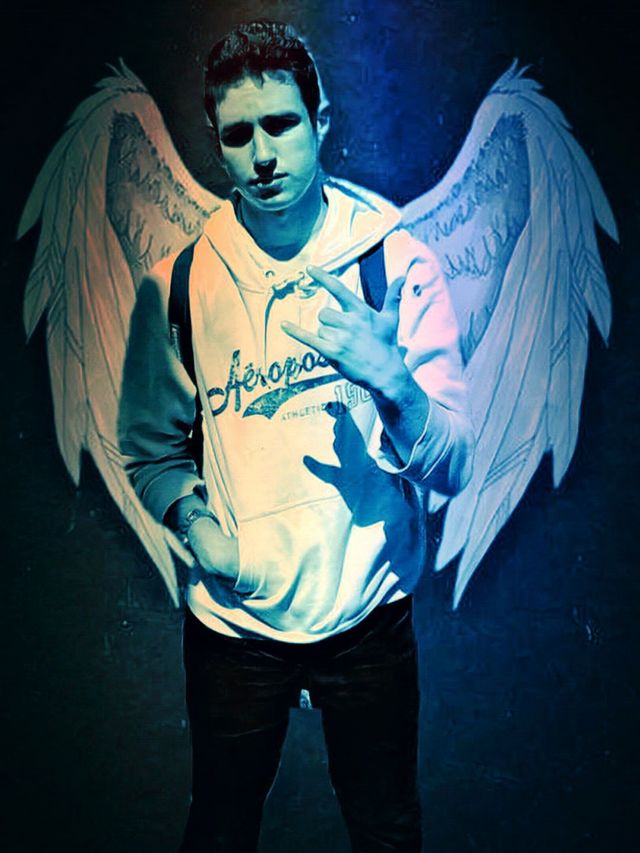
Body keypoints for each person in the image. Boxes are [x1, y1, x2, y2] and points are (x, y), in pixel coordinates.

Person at [118, 20, 474, 853]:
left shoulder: (393, 264)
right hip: (235, 628)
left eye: (281, 124)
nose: (263, 155)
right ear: (217, 140)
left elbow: (457, 463)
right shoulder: (179, 284)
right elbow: (149, 447)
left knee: (387, 833)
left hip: (368, 618)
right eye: (238, 134)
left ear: (321, 121)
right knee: (219, 830)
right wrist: (199, 528)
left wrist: (394, 383)